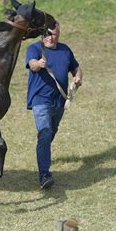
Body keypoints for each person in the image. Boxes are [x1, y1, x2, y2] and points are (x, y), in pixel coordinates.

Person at [25, 22, 82, 189]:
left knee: (50, 133)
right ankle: (44, 175)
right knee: (45, 133)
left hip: (60, 101)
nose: (49, 37)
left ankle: (43, 154)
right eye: (47, 34)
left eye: (53, 34)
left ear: (59, 34)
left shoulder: (65, 50)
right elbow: (32, 64)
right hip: (40, 100)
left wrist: (78, 78)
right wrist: (39, 64)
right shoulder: (35, 48)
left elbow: (76, 68)